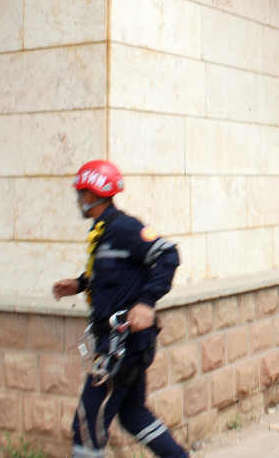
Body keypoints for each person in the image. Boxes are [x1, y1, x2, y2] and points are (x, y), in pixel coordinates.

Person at [53, 160, 188, 458]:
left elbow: (167, 255)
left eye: (80, 194)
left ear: (90, 196)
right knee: (133, 416)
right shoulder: (102, 232)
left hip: (122, 345)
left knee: (88, 423)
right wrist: (79, 284)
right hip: (118, 344)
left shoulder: (124, 228)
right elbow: (116, 276)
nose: (78, 200)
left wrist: (146, 303)